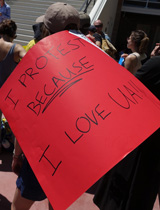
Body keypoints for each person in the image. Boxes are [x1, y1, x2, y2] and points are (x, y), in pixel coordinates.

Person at [11, 3, 80, 210]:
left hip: (42, 153)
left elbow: (25, 118)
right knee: (57, 204)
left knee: (19, 206)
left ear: (46, 30)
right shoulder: (92, 59)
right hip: (74, 150)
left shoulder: (40, 63)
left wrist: (16, 155)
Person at [93, 43, 160, 210]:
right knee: (143, 190)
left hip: (139, 139)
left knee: (121, 195)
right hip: (154, 146)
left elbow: (128, 88)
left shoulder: (156, 64)